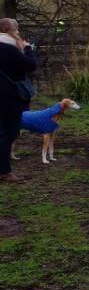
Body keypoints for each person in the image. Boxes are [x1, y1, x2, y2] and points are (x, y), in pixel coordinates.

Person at [0, 18, 38, 183]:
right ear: (9, 29)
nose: (18, 32)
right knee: (9, 132)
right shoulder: (9, 48)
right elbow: (30, 65)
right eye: (17, 29)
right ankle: (4, 171)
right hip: (9, 98)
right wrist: (28, 48)